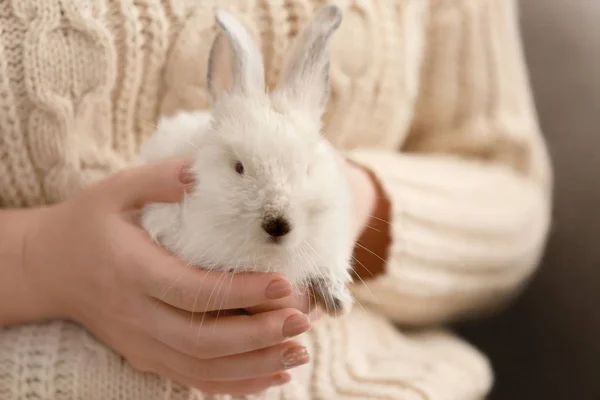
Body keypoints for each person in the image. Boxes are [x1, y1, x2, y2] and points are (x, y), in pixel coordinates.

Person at [0, 0, 552, 399]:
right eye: (239, 168)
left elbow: (510, 196)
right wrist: (39, 260)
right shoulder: (191, 155)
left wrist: (354, 210)